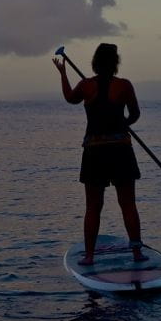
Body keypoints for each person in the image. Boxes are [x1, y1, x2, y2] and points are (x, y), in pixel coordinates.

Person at [53, 43, 147, 265]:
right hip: (121, 150)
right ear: (115, 63)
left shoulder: (86, 86)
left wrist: (63, 73)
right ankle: (136, 253)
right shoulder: (124, 86)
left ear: (95, 62)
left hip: (95, 152)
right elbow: (135, 114)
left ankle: (89, 256)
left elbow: (69, 98)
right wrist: (123, 122)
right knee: (128, 204)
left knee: (93, 206)